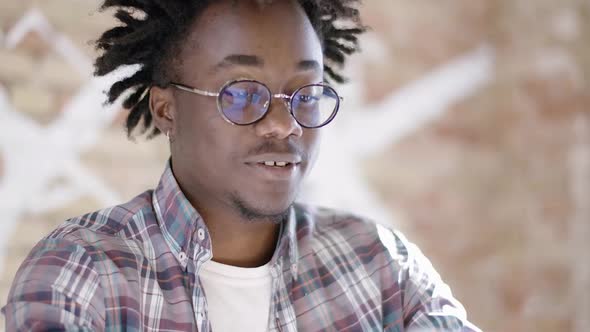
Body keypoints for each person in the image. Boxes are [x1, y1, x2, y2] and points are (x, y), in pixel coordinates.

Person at [2, 0, 481, 331]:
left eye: (305, 95)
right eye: (242, 93)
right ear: (168, 109)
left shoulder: (380, 268)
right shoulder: (82, 273)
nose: (284, 124)